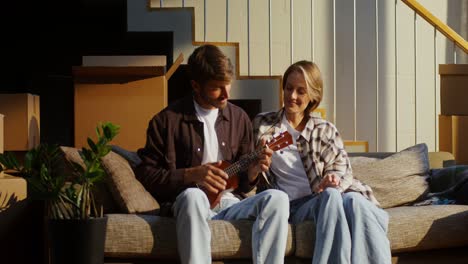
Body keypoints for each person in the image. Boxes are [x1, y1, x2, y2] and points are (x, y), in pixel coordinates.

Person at [135, 44, 289, 264]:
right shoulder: (166, 121)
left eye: (228, 85)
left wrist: (253, 172)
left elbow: (244, 185)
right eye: (217, 87)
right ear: (196, 86)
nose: (226, 94)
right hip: (191, 204)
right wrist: (190, 175)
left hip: (229, 203)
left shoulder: (239, 118)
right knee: (193, 196)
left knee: (278, 198)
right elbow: (146, 176)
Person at [252, 60, 391, 264]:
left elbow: (342, 171)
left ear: (312, 97)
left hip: (325, 198)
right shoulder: (263, 124)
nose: (292, 96)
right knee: (334, 197)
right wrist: (257, 161)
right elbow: (251, 172)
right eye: (289, 88)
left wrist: (331, 180)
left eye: (301, 91)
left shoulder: (324, 129)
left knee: (351, 200)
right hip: (293, 207)